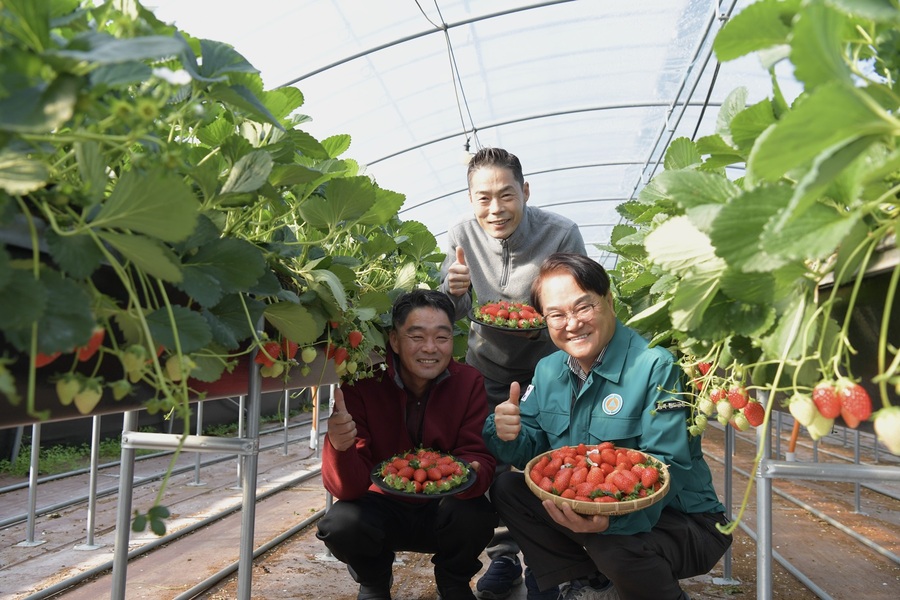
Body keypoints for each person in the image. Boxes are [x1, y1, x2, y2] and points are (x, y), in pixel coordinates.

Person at [483, 253, 733, 600]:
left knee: (612, 545)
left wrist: (609, 520)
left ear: (609, 302)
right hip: (588, 508)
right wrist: (507, 433)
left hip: (684, 521)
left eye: (583, 307)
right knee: (509, 488)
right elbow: (533, 450)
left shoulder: (656, 366)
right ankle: (588, 585)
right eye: (556, 315)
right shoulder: (548, 369)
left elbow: (669, 464)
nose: (572, 324)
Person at [440, 147, 587, 599]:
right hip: (485, 368)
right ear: (471, 199)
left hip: (549, 371)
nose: (495, 209)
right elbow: (452, 311)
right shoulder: (461, 234)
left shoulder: (561, 233)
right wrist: (454, 290)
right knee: (493, 460)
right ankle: (503, 557)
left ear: (525, 190)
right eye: (483, 198)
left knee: (548, 458)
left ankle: (549, 562)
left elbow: (580, 300)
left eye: (506, 195)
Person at [316, 289, 498, 600]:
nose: (430, 348)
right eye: (417, 336)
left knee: (476, 515)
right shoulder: (363, 383)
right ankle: (373, 581)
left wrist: (473, 472)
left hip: (442, 508)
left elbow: (477, 454)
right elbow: (346, 490)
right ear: (395, 341)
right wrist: (339, 446)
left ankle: (453, 581)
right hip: (381, 508)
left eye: (441, 337)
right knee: (342, 523)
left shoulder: (468, 382)